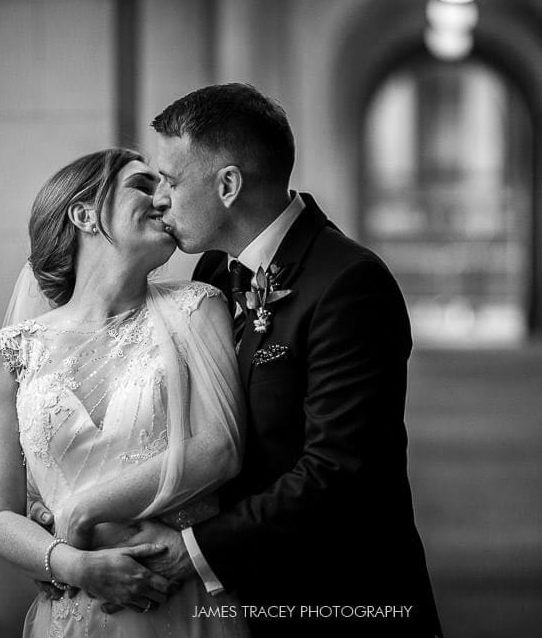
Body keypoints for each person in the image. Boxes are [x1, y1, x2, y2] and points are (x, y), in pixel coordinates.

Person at [121, 83, 442, 637]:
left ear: (228, 185)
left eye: (172, 180)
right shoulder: (214, 276)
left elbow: (337, 472)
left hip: (341, 598)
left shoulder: (349, 284)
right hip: (248, 600)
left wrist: (193, 549)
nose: (160, 199)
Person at [0, 148, 250, 637]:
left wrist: (81, 511)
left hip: (181, 602)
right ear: (84, 214)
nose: (162, 199)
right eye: (143, 186)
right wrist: (72, 565)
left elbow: (221, 450)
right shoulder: (7, 355)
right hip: (74, 608)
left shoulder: (198, 308)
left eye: (163, 186)